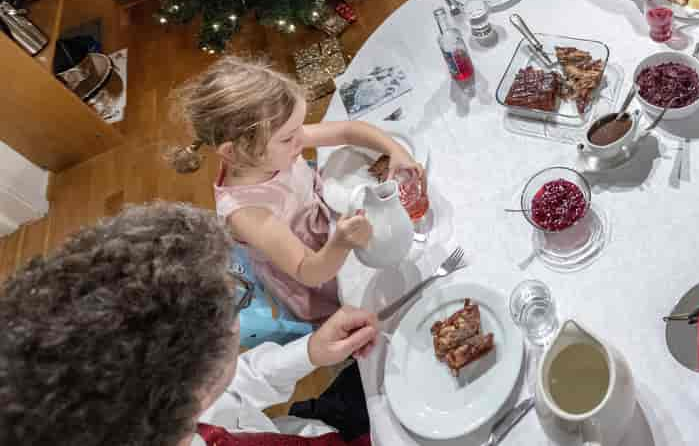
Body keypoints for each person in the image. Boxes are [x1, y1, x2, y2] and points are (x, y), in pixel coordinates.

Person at [0, 202, 379, 445]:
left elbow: (234, 392)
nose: (239, 304)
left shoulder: (151, 409)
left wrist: (309, 353)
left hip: (313, 430)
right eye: (238, 302)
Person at [169, 56, 420, 323]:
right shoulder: (245, 213)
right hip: (318, 267)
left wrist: (395, 150)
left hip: (329, 224)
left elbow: (347, 130)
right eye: (289, 137)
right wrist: (341, 243)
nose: (301, 138)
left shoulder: (275, 141)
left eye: (298, 128)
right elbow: (307, 270)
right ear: (234, 152)